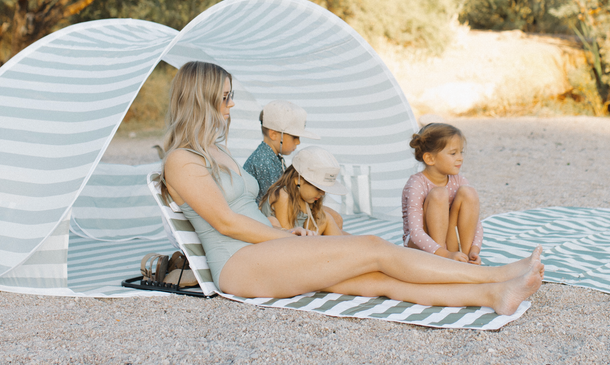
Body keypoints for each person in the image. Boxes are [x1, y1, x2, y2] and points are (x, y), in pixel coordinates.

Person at [160, 60, 544, 316]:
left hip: (261, 247)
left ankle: (494, 296)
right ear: (203, 98)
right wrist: (284, 235)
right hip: (239, 262)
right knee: (374, 248)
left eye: (231, 95)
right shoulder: (181, 160)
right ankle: (495, 275)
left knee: (377, 280)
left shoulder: (214, 150)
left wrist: (281, 234)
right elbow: (226, 223)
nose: (231, 104)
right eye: (225, 97)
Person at [401, 123, 484, 264]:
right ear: (430, 159)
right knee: (439, 194)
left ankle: (465, 258)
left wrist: (474, 250)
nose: (460, 158)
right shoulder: (416, 184)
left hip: (448, 245)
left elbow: (476, 223)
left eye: (461, 152)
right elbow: (415, 233)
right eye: (453, 153)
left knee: (469, 192)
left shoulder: (459, 180)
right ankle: (440, 261)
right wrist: (444, 254)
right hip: (422, 246)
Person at [242, 100, 318, 204]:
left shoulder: (272, 157)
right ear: (273, 134)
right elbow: (276, 202)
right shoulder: (264, 161)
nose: (298, 142)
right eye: (294, 136)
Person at [259, 146, 347, 235]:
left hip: (302, 236)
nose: (322, 193)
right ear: (298, 180)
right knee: (326, 218)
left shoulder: (306, 197)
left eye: (324, 189)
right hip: (282, 240)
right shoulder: (283, 195)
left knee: (326, 218)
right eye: (318, 188)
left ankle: (347, 245)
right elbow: (287, 236)